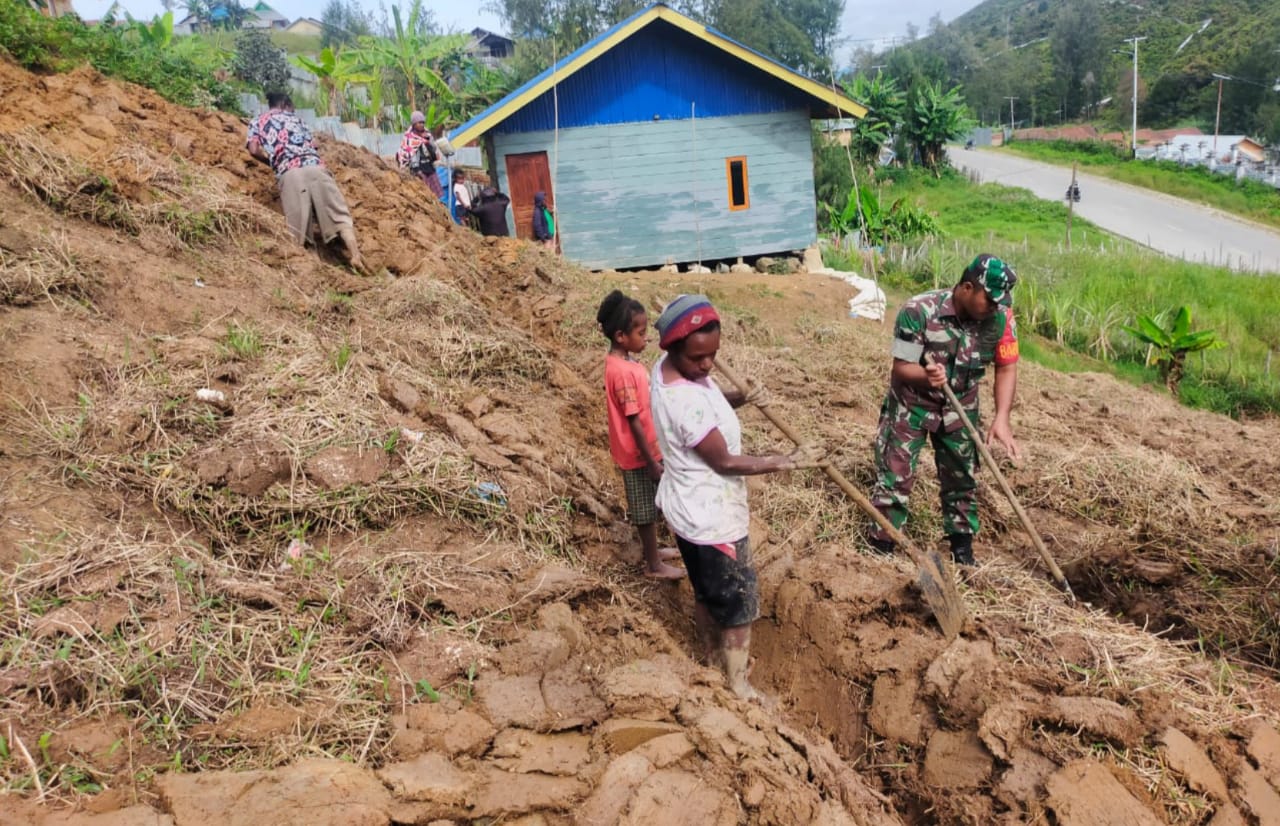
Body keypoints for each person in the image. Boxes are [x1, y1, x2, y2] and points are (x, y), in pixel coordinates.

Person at [650, 294, 825, 702]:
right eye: (699, 358)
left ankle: (710, 659)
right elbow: (724, 461)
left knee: (707, 590)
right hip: (712, 520)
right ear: (674, 348)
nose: (708, 364)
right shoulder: (685, 401)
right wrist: (788, 461)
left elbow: (707, 401)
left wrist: (739, 398)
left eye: (713, 354)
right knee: (738, 602)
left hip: (687, 509)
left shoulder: (673, 373)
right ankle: (738, 684)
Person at [868, 254, 1021, 567]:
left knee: (962, 480)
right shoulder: (918, 311)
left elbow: (1007, 367)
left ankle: (962, 552)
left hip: (959, 408)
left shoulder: (1002, 320)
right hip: (911, 405)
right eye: (989, 300)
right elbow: (902, 367)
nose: (995, 307)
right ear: (967, 287)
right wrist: (927, 377)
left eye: (999, 301)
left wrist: (1002, 417)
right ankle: (881, 550)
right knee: (895, 478)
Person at [597, 290, 685, 581]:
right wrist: (649, 460)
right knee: (645, 510)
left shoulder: (627, 362)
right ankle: (653, 565)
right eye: (641, 332)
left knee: (652, 501)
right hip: (637, 455)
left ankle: (654, 552)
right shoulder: (621, 371)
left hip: (647, 448)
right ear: (621, 336)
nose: (646, 337)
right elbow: (633, 420)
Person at [246, 91, 366, 274]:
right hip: (316, 168)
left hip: (290, 173)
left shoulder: (257, 121)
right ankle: (356, 255)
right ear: (286, 104)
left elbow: (253, 150)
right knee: (340, 217)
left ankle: (317, 271)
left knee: (300, 229)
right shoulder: (297, 120)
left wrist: (273, 162)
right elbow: (314, 144)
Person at [396, 111, 443, 198]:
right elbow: (408, 153)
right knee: (424, 194)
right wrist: (417, 170)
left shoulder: (427, 134)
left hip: (429, 167)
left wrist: (427, 142)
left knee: (435, 195)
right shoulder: (409, 137)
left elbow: (434, 149)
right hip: (418, 169)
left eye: (423, 122)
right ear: (414, 124)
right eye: (419, 122)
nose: (422, 124)